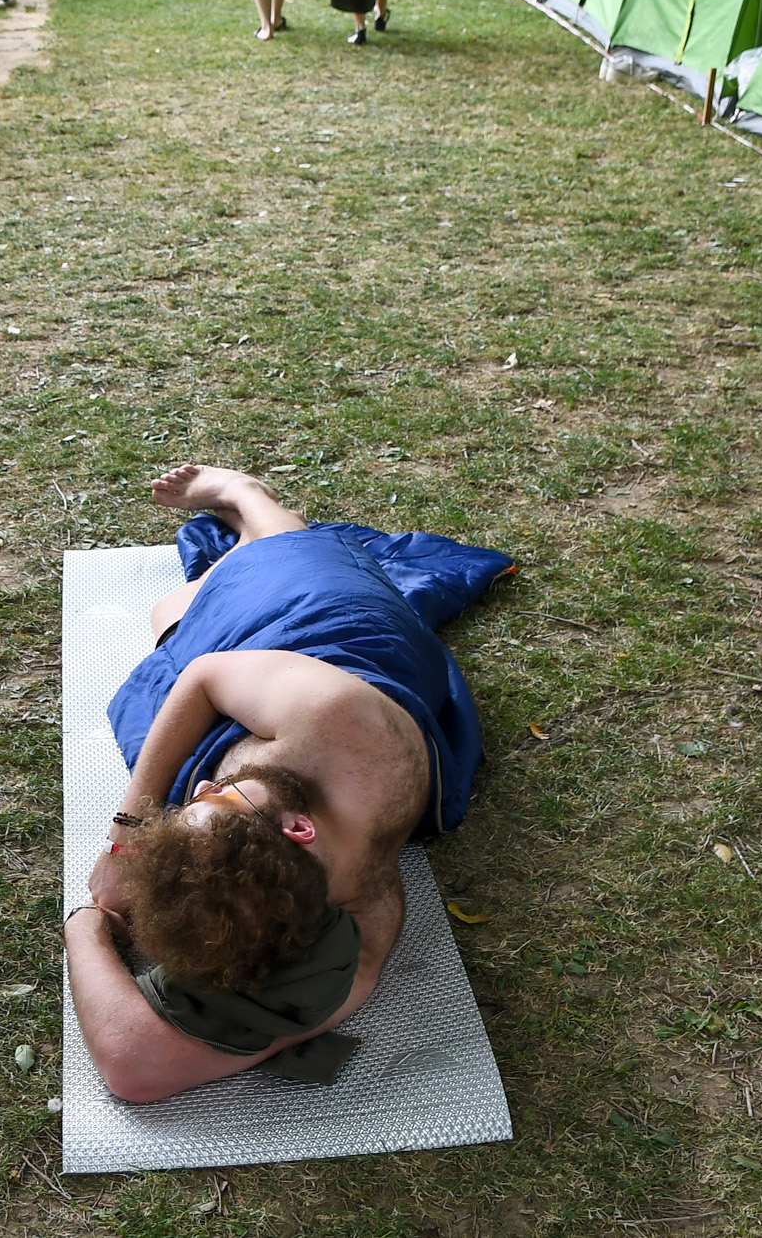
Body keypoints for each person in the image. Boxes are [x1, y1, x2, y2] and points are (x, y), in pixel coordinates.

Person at [64, 465, 512, 1104]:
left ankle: (242, 512)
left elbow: (136, 1068)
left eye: (203, 799)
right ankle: (248, 518)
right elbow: (206, 677)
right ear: (297, 828)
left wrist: (95, 903)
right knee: (225, 586)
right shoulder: (335, 746)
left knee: (216, 590)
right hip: (329, 645)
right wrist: (128, 850)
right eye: (216, 799)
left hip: (309, 651)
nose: (200, 789)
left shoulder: (354, 887)